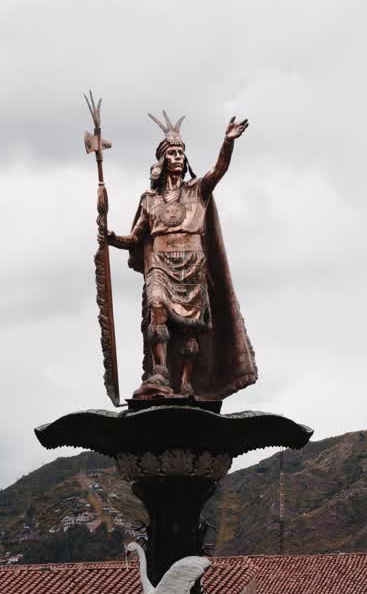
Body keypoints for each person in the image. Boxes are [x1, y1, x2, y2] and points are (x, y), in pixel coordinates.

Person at [99, 112, 257, 401]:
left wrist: (228, 143)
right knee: (156, 307)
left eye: (181, 152)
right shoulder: (149, 200)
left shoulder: (197, 191)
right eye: (172, 152)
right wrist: (112, 239)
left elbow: (218, 170)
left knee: (188, 330)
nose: (178, 156)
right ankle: (159, 373)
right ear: (162, 160)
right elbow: (136, 238)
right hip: (160, 264)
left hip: (192, 264)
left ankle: (185, 382)